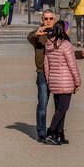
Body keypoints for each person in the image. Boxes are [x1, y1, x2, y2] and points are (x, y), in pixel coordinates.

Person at [42, 20, 81, 145]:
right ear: (64, 30)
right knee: (63, 108)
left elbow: (46, 65)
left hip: (54, 81)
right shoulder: (66, 45)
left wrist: (49, 80)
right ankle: (51, 132)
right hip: (65, 81)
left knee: (59, 109)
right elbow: (72, 65)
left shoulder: (49, 44)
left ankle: (59, 134)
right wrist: (77, 81)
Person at [27, 9, 56, 142]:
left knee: (59, 105)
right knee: (43, 104)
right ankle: (41, 132)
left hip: (56, 73)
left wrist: (80, 54)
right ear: (42, 20)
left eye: (51, 19)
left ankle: (56, 131)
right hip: (42, 73)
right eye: (46, 19)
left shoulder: (58, 33)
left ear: (54, 20)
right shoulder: (38, 34)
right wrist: (36, 33)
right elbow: (30, 37)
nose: (48, 21)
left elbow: (67, 51)